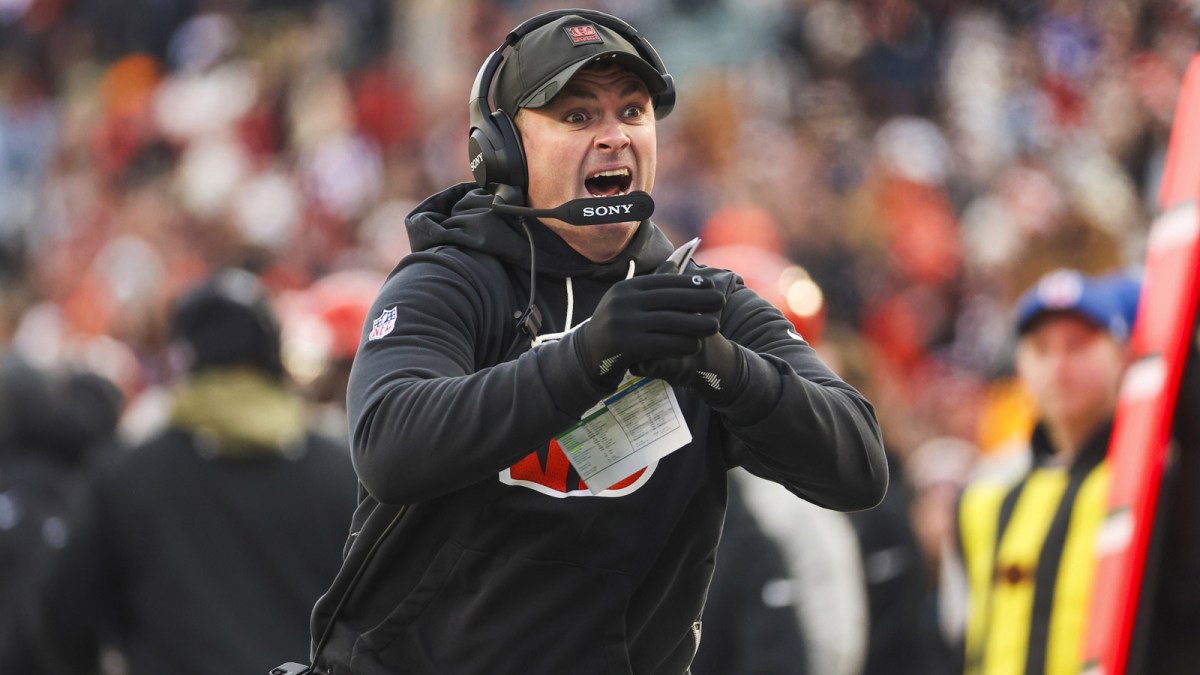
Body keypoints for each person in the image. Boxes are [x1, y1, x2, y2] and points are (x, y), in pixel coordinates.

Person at [300, 9, 887, 675]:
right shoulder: (450, 280)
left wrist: (720, 366)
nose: (614, 137)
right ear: (504, 146)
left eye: (632, 112)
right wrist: (587, 356)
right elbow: (389, 445)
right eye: (577, 117)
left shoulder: (701, 303)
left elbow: (859, 464)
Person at [4, 268, 358, 675]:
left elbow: (61, 612)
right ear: (272, 355)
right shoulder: (340, 468)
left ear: (184, 359)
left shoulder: (130, 472)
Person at [956, 268, 1133, 675]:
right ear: (1020, 364)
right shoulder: (986, 493)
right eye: (1041, 348)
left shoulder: (1153, 480)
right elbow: (973, 639)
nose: (1059, 365)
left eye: (1079, 345)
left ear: (1121, 355)